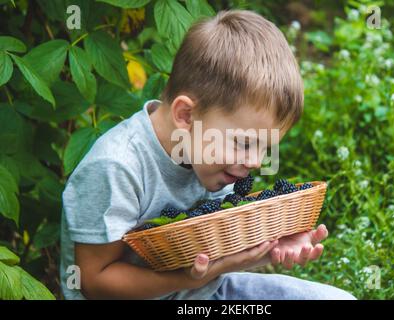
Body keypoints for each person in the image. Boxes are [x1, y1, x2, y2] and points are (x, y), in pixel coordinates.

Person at [60, 9, 356, 300]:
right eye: (244, 143)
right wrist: (184, 278)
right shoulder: (116, 166)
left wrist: (273, 242)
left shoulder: (213, 161)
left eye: (266, 147)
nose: (255, 162)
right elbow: (93, 282)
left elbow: (217, 255)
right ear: (186, 115)